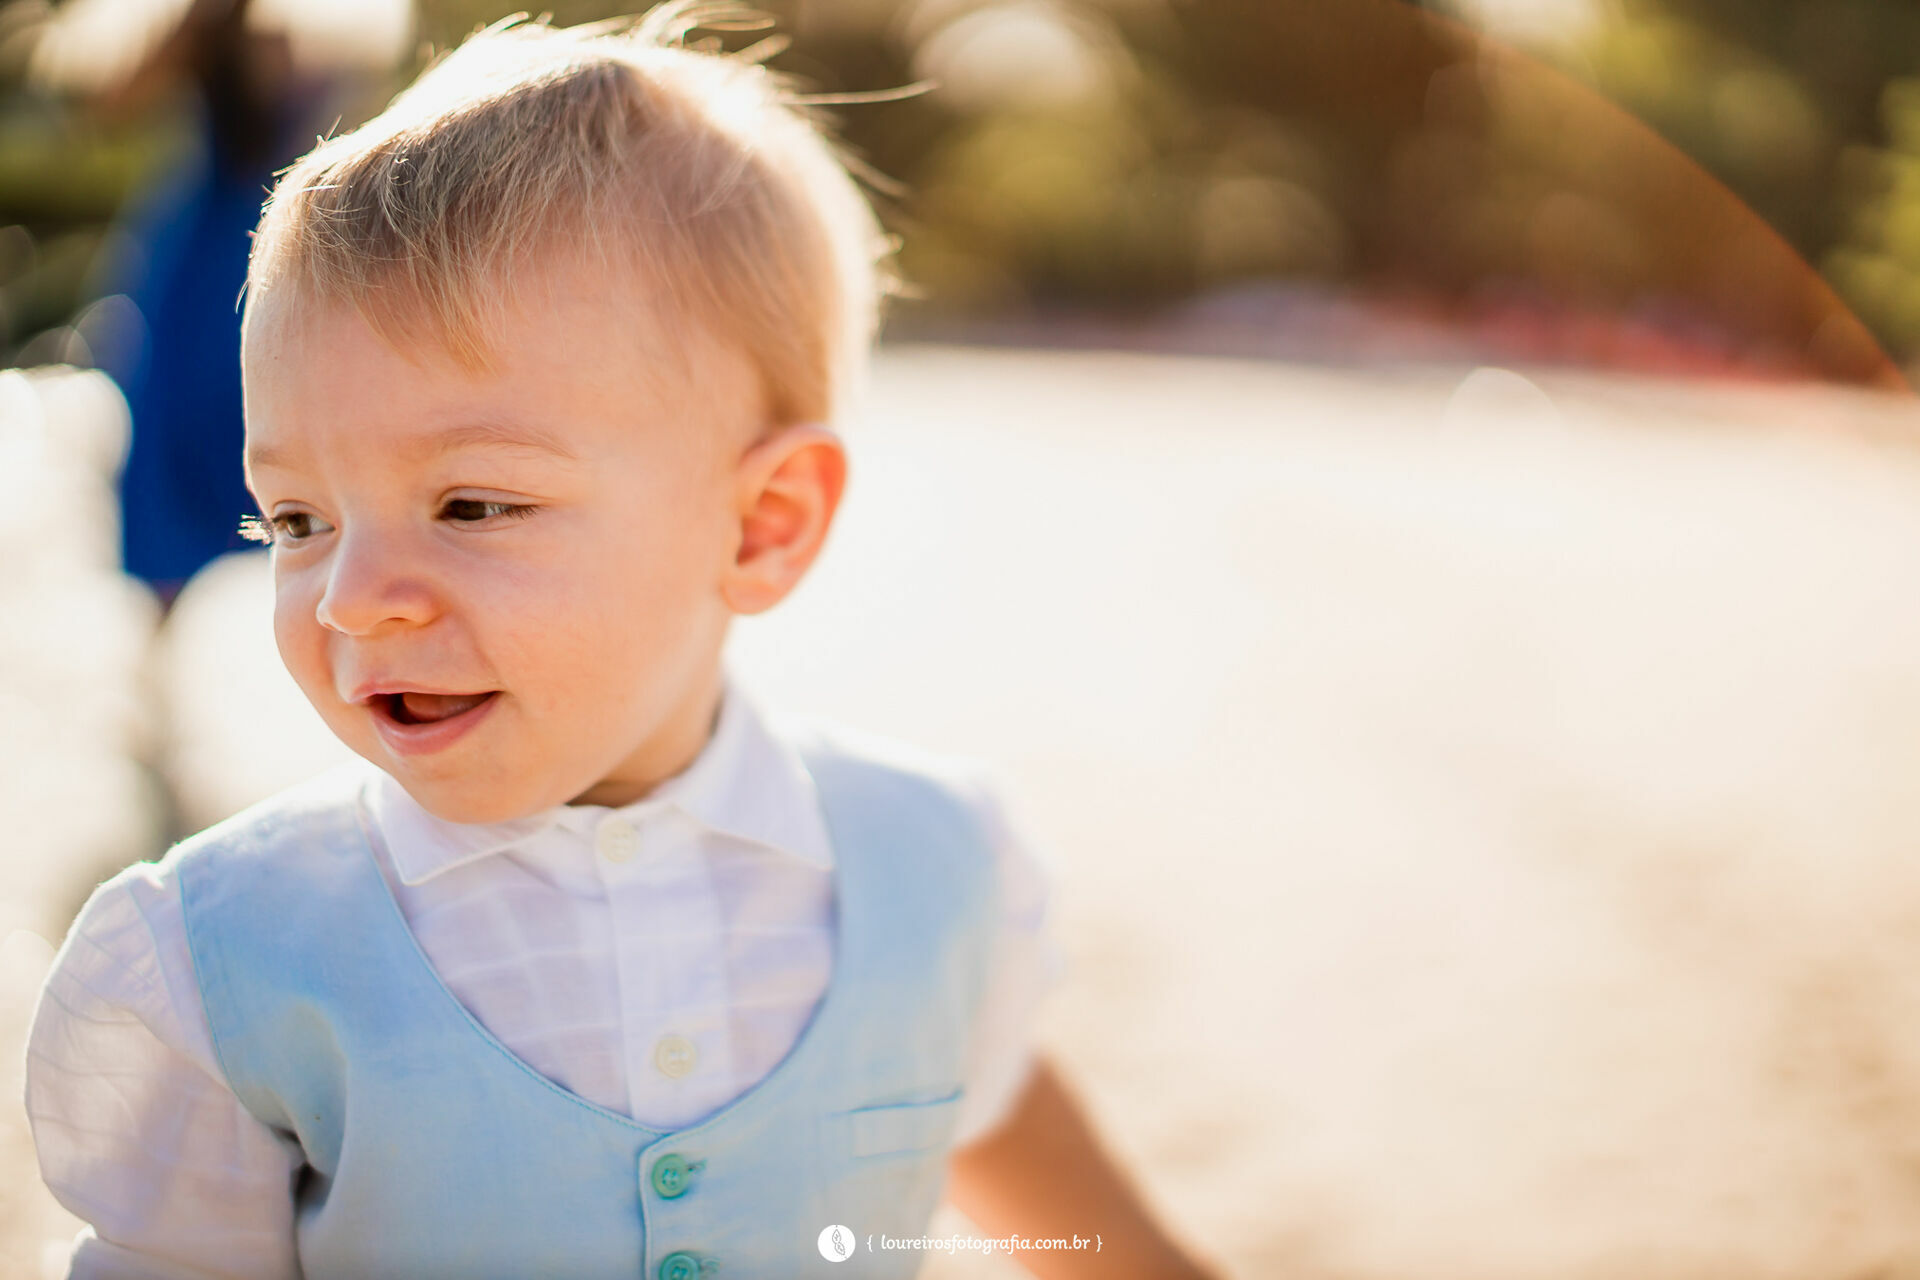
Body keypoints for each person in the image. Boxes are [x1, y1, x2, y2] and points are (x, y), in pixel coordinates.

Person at [23, 6, 1226, 1277]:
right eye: (299, 519)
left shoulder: (926, 865)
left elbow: (1039, 1180)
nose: (352, 597)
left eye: (474, 503)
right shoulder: (228, 952)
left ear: (763, 526)